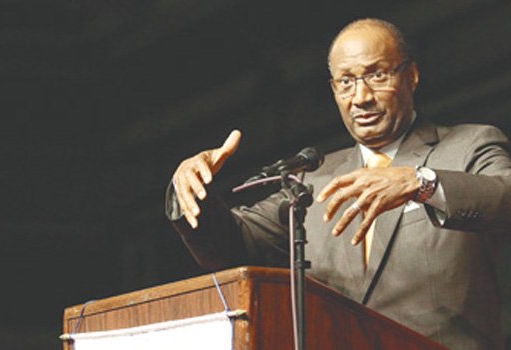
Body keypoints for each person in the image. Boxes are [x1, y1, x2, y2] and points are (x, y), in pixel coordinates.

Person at [166, 18, 511, 350]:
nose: (360, 97)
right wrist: (193, 190)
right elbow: (232, 243)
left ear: (412, 76)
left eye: (376, 75)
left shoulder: (468, 146)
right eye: (345, 82)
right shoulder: (312, 181)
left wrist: (422, 183)